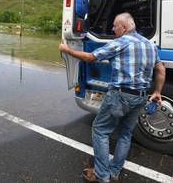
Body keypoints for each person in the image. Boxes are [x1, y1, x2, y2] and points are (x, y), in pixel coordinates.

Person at [59, 13, 165, 183]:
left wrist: (68, 50)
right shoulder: (148, 44)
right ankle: (114, 172)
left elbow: (91, 57)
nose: (112, 28)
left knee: (100, 130)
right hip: (141, 97)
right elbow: (160, 69)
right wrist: (157, 91)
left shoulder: (121, 42)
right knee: (125, 134)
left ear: (124, 28)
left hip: (120, 95)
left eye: (115, 26)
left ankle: (102, 175)